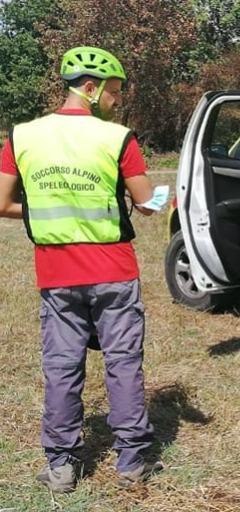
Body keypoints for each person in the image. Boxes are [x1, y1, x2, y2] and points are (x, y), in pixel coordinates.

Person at [0, 46, 162, 492]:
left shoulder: (22, 136)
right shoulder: (118, 138)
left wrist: (48, 207)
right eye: (113, 91)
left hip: (56, 274)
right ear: (89, 88)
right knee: (124, 363)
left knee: (61, 367)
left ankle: (61, 467)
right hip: (114, 271)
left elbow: (2, 204)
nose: (117, 100)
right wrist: (165, 200)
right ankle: (131, 462)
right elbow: (147, 202)